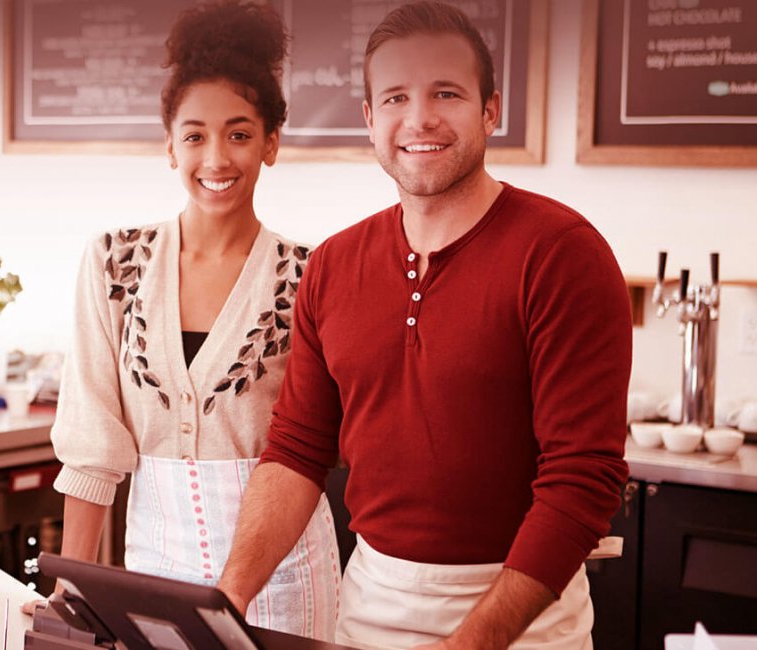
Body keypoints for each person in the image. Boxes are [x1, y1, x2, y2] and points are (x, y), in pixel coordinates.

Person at [216, 2, 633, 648]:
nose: (419, 119)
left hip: (523, 622)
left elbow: (582, 482)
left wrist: (472, 643)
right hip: (371, 608)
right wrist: (226, 602)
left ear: (491, 109)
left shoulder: (563, 255)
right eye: (396, 97)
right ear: (370, 119)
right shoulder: (332, 265)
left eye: (446, 92)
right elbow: (297, 452)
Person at [47, 0, 339, 641]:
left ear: (271, 144)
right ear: (169, 144)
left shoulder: (311, 274)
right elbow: (94, 448)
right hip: (153, 566)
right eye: (195, 135)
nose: (216, 158)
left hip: (284, 576)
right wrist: (70, 591)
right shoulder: (112, 263)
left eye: (239, 133)